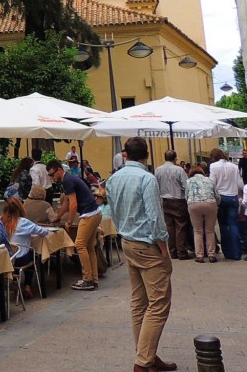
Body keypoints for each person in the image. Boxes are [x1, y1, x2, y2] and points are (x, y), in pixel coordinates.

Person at [106, 137, 176, 372]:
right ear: (146, 155)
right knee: (158, 303)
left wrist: (124, 231)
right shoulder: (147, 178)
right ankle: (143, 361)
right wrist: (164, 249)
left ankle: (147, 355)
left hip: (127, 241)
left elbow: (113, 213)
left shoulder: (114, 179)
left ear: (125, 154)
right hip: (147, 245)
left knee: (139, 302)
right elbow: (156, 218)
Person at [47, 158, 101, 291]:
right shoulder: (69, 179)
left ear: (59, 170)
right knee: (89, 247)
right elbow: (66, 203)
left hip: (89, 214)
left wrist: (69, 222)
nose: (52, 178)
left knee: (80, 245)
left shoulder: (67, 180)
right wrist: (57, 217)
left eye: (52, 174)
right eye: (50, 176)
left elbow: (73, 204)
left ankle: (87, 279)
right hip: (96, 213)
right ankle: (94, 279)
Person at [0, 197, 50, 301]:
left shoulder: (0, 221)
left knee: (15, 257)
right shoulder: (24, 222)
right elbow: (43, 232)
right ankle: (27, 285)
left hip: (6, 259)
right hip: (20, 259)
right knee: (31, 253)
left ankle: (14, 280)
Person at [208, 148, 243, 261]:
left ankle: (227, 252)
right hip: (233, 197)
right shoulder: (233, 166)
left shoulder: (213, 167)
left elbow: (212, 183)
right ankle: (237, 252)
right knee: (233, 224)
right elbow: (240, 185)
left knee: (223, 225)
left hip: (220, 198)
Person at [155, 151, 191, 260]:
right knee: (180, 226)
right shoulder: (179, 170)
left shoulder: (158, 170)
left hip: (165, 200)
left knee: (170, 227)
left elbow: (156, 185)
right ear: (175, 158)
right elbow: (186, 186)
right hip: (178, 200)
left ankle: (172, 251)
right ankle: (182, 252)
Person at [185, 166, 219, 263]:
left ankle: (199, 255)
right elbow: (216, 194)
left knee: (197, 231)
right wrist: (217, 203)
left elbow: (186, 195)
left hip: (194, 204)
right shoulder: (210, 180)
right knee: (210, 230)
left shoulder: (188, 181)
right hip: (210, 203)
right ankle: (211, 254)